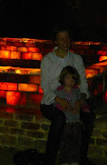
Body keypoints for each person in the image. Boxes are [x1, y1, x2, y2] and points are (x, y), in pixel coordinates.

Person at [40, 27, 95, 165]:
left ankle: (80, 158)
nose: (65, 41)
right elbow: (45, 86)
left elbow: (83, 83)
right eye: (61, 38)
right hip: (52, 100)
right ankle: (49, 160)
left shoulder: (76, 59)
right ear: (56, 41)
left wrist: (81, 100)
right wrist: (59, 99)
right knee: (59, 119)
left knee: (88, 118)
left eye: (67, 38)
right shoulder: (47, 60)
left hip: (74, 98)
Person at [54, 66, 83, 165]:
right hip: (66, 121)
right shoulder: (59, 91)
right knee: (65, 142)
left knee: (76, 142)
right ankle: (64, 160)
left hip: (76, 120)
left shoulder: (76, 91)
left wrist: (79, 106)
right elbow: (56, 105)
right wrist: (63, 107)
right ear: (63, 79)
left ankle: (74, 160)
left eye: (73, 79)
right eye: (68, 78)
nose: (70, 81)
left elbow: (80, 102)